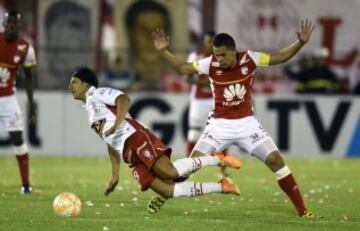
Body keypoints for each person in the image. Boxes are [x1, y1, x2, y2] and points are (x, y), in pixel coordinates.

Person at [151, 19, 322, 218]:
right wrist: (164, 51)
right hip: (218, 126)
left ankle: (303, 211)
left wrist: (300, 43)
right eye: (216, 55)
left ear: (234, 51)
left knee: (276, 160)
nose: (219, 59)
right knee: (192, 164)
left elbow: (281, 57)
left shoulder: (251, 59)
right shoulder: (210, 64)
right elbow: (183, 68)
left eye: (223, 55)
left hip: (247, 125)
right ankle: (166, 193)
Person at [68, 67, 242, 203]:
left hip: (135, 137)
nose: (70, 86)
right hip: (128, 154)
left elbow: (123, 99)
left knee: (170, 173)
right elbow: (110, 141)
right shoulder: (90, 112)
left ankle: (218, 159)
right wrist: (115, 175)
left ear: (86, 84)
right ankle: (222, 187)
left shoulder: (97, 94)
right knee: (167, 190)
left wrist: (116, 124)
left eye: (74, 82)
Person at [0, 10, 36, 194]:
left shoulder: (25, 48)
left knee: (17, 137)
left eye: (16, 22)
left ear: (19, 25)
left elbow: (29, 77)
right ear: (5, 24)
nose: (12, 25)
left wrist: (31, 104)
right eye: (10, 22)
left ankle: (26, 185)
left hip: (7, 99)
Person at [185, 30, 216, 156]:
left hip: (216, 99)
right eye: (209, 41)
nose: (211, 44)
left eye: (213, 41)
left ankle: (223, 169)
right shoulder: (195, 56)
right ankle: (186, 166)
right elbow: (187, 78)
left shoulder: (222, 58)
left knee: (221, 134)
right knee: (194, 133)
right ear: (204, 42)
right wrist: (204, 83)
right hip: (199, 100)